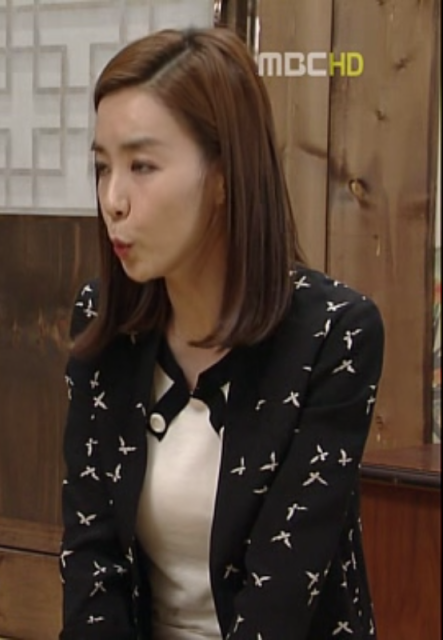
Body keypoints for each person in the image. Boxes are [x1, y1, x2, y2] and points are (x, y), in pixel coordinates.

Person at [60, 27, 384, 640]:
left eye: (142, 165)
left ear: (224, 175)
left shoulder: (334, 334)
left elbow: (280, 602)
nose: (113, 200)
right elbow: (90, 561)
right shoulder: (104, 319)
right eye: (102, 167)